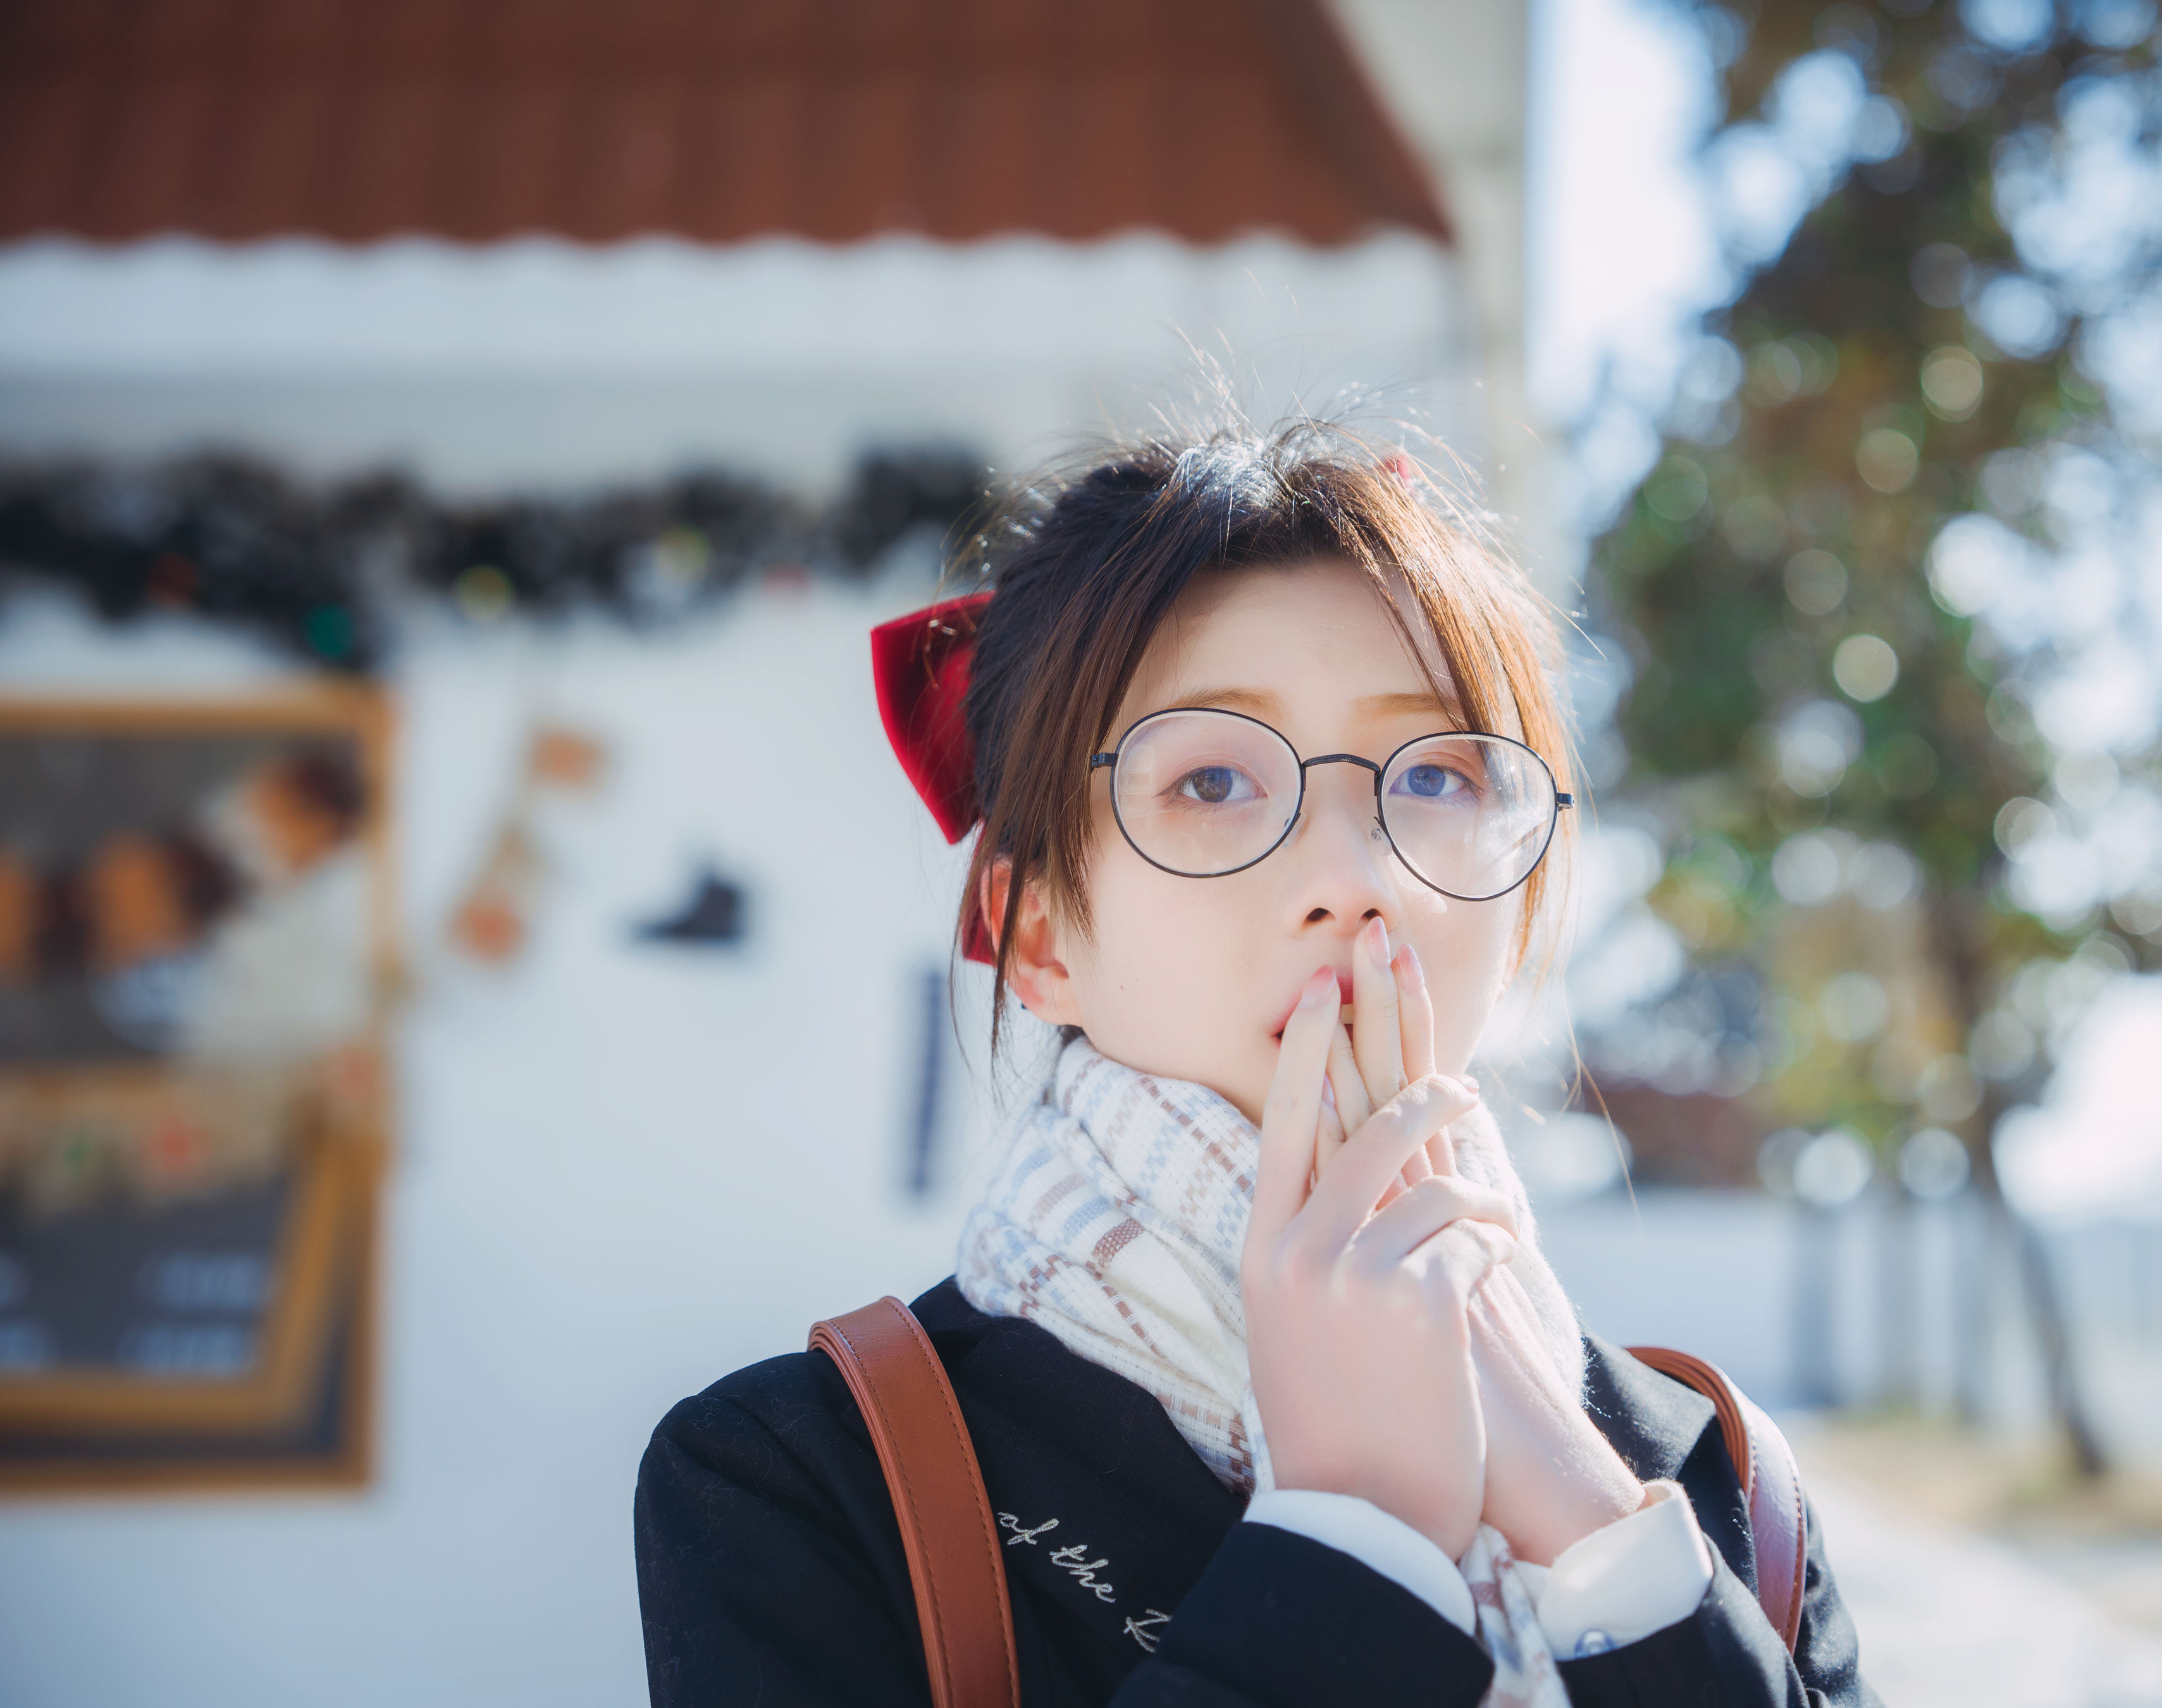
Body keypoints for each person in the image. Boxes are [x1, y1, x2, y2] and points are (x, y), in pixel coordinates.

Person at [633, 421, 1879, 1707]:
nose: (1356, 877)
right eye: (1216, 778)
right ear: (1039, 938)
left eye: (1440, 778)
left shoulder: (1718, 1487)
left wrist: (1599, 1538)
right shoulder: (806, 1480)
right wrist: (1356, 1535)